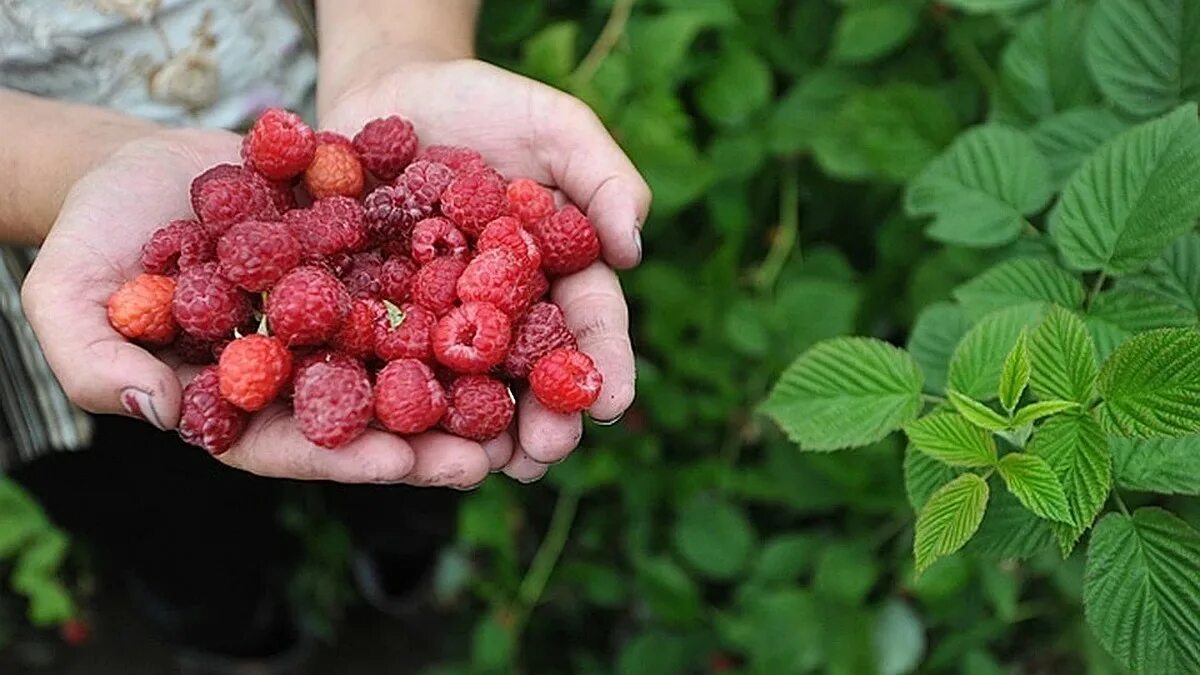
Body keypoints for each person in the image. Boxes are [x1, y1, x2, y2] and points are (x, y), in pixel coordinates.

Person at [0, 0, 649, 669]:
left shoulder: (372, 229)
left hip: (326, 102)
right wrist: (72, 173)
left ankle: (400, 567)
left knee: (410, 481)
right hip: (55, 218)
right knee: (171, 526)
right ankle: (240, 633)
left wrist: (401, 50)